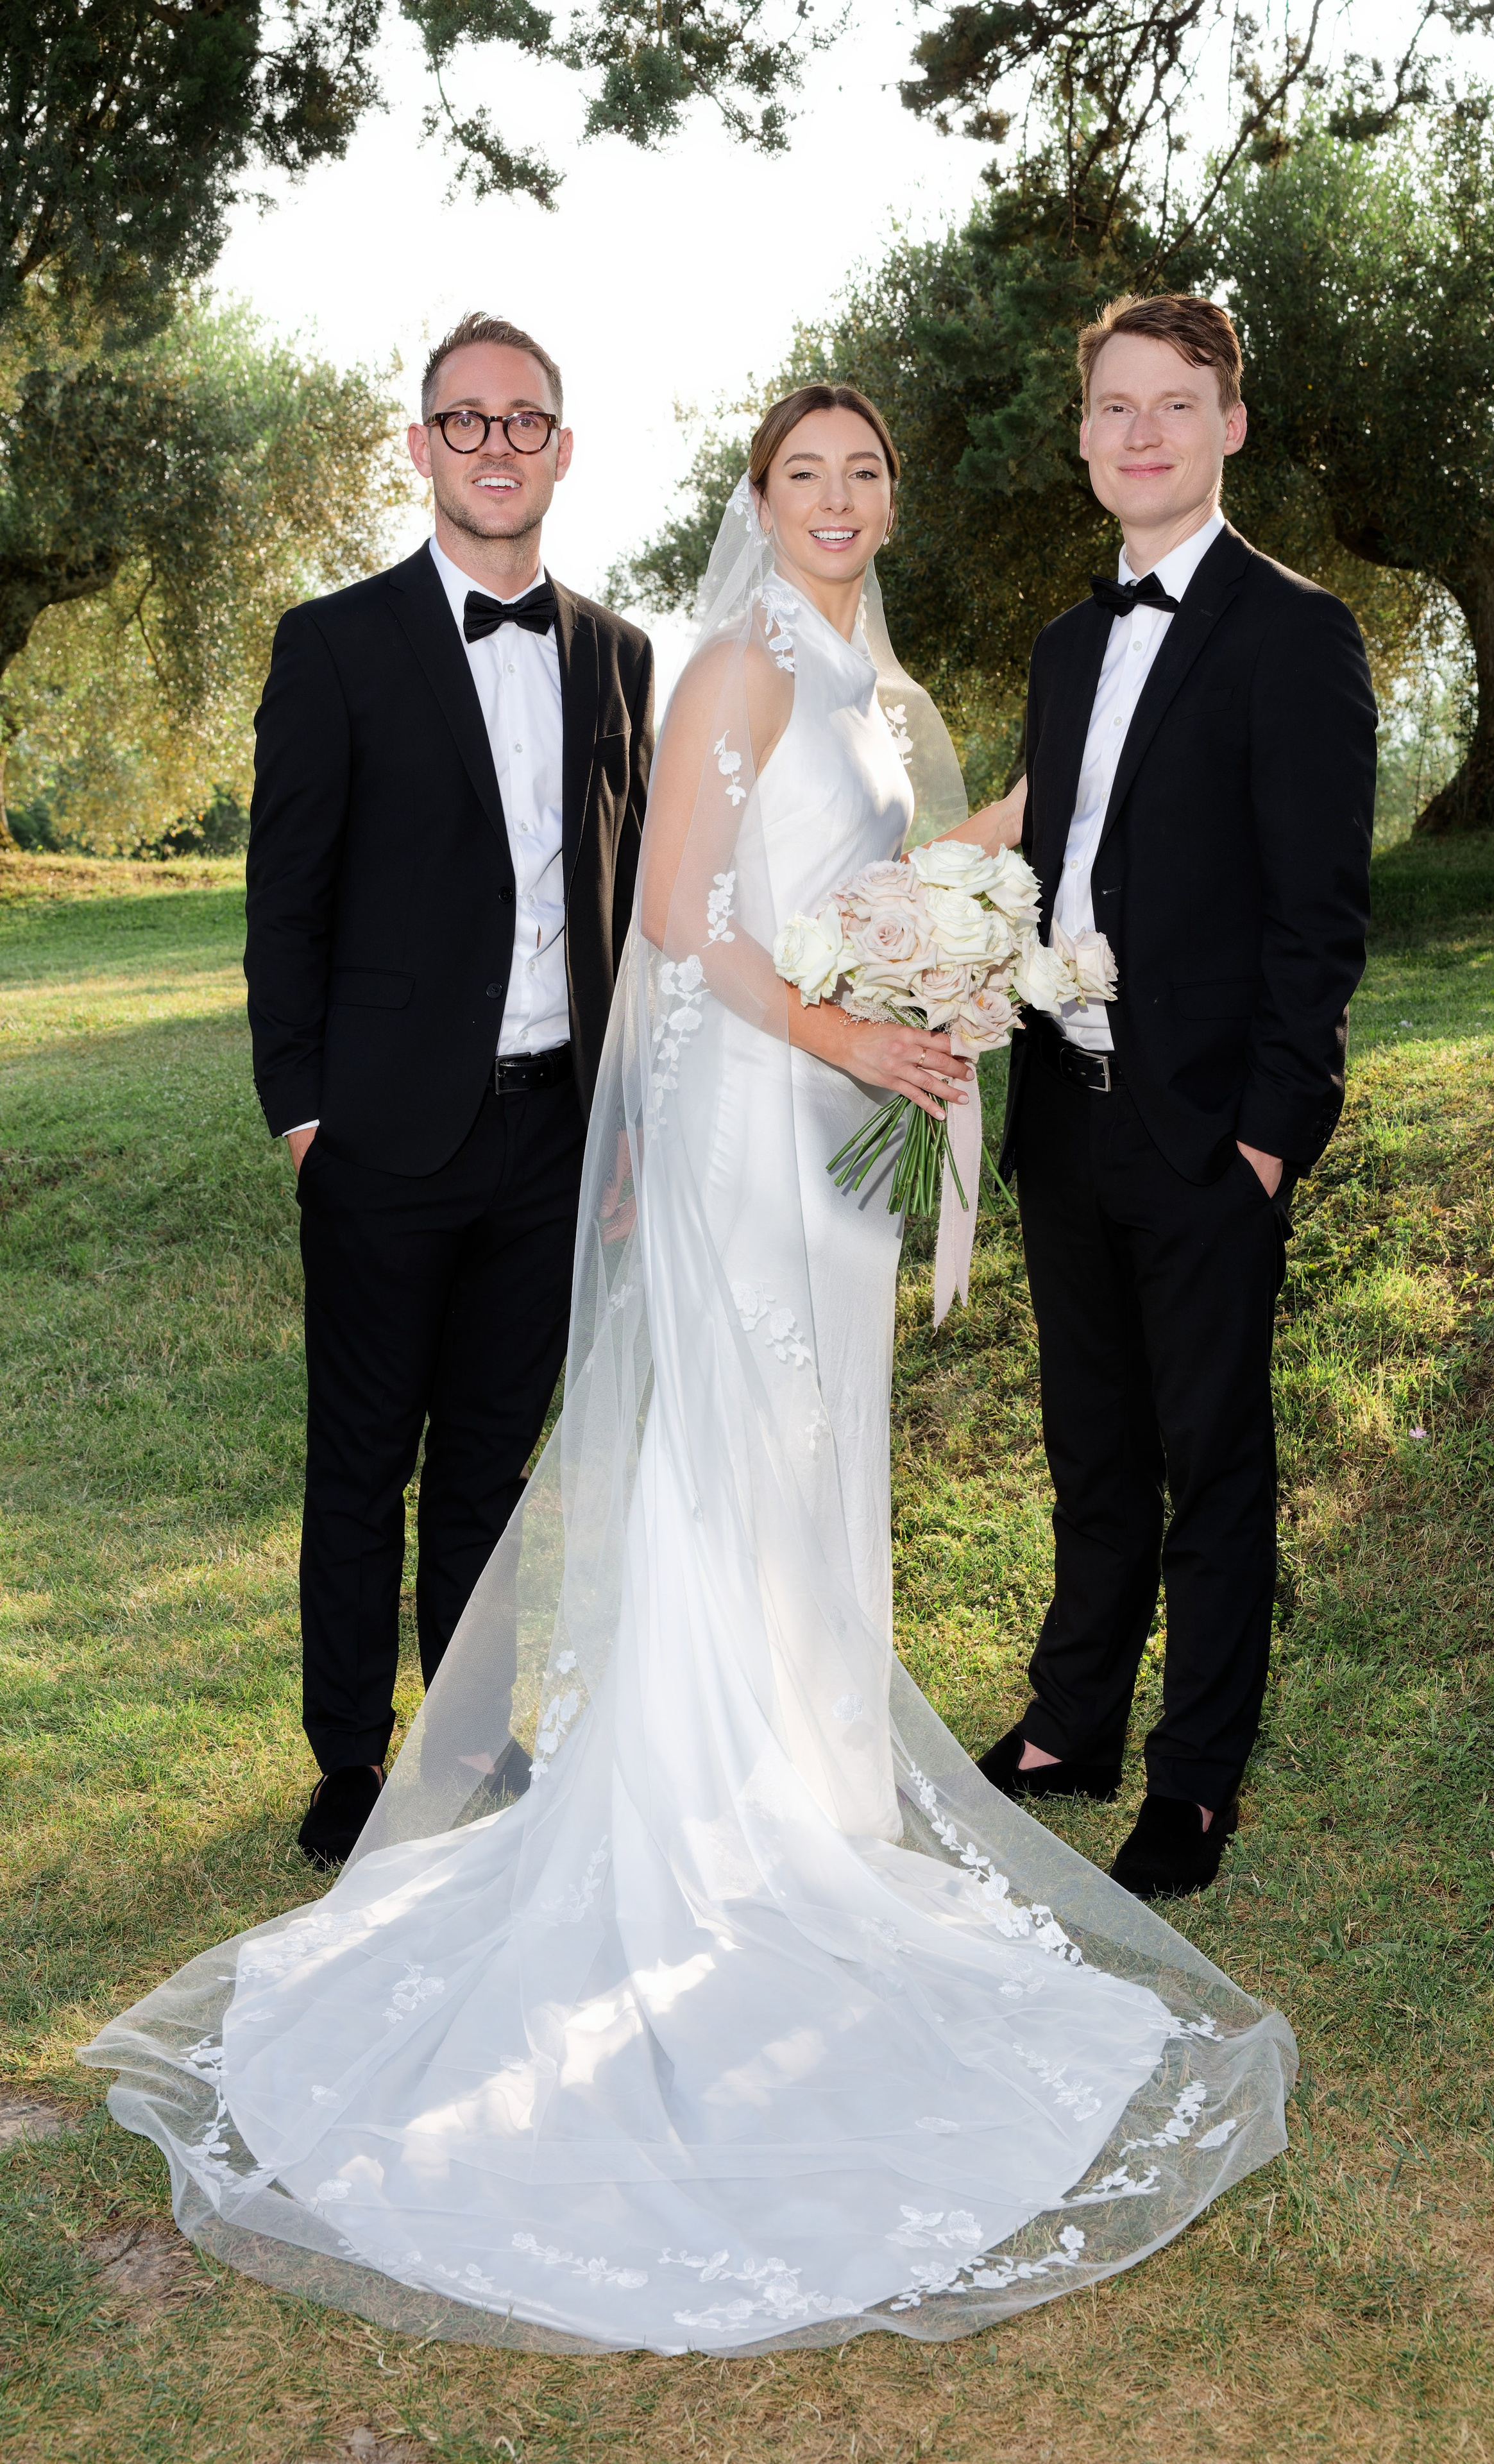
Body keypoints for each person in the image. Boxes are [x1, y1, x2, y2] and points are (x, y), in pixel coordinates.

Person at [85, 385, 1296, 2356]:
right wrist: (851, 1033)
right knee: (734, 1452)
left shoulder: (891, 694)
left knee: (822, 1462)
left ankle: (807, 1795)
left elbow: (928, 859)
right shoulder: (730, 672)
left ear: (896, 497)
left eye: (865, 474)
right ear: (762, 502)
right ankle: (702, 1811)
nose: (838, 502)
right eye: (803, 476)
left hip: (844, 1153)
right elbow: (676, 923)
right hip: (758, 1116)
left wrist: (991, 908)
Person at [243, 311, 654, 1867]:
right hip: (382, 1130)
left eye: (523, 419)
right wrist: (304, 1114)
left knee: (489, 1461)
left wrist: (620, 1119)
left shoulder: (621, 654)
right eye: (465, 421)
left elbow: (620, 907)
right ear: (420, 447)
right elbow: (285, 905)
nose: (495, 444)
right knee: (362, 1457)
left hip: (555, 1130)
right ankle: (352, 1757)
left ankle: (469, 1734)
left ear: (560, 447)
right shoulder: (333, 644)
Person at [979, 294, 1376, 1900]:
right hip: (1062, 1119)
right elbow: (1050, 857)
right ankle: (1069, 1724)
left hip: (1209, 1130)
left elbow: (1317, 917)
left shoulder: (1295, 633)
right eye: (1113, 407)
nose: (1139, 432)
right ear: (1082, 440)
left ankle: (1193, 1778)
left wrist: (1269, 1132)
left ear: (1226, 427)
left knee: (1212, 1463)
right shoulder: (1067, 644)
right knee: (1090, 1447)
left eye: (1174, 403)